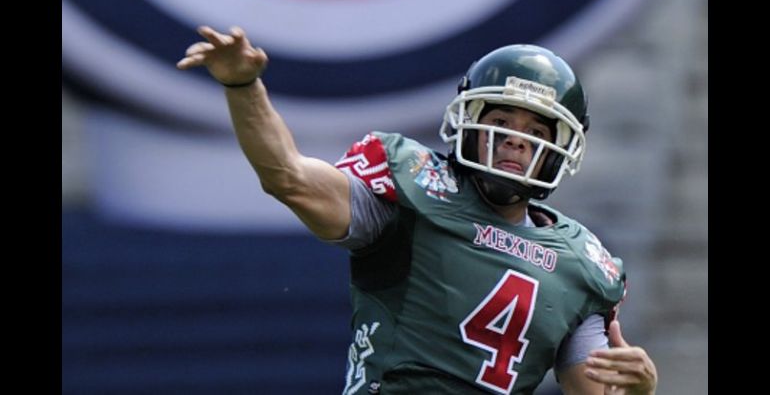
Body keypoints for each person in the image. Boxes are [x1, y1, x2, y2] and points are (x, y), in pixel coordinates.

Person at [177, 25, 658, 395]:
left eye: (536, 128)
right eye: (501, 119)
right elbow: (288, 176)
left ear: (558, 150)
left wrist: (636, 391)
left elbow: (597, 387)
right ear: (468, 124)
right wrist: (245, 88)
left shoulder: (583, 262)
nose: (514, 135)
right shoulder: (417, 188)